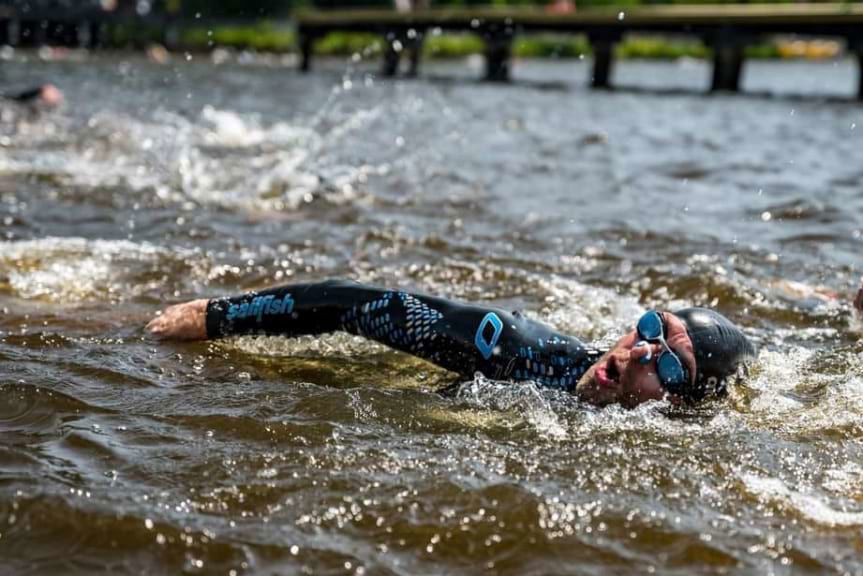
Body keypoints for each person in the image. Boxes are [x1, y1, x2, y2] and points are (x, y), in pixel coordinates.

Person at [147, 279, 757, 408]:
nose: (632, 356)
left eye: (668, 369)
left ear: (686, 405)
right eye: (647, 331)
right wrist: (216, 318)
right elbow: (355, 305)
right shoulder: (516, 351)